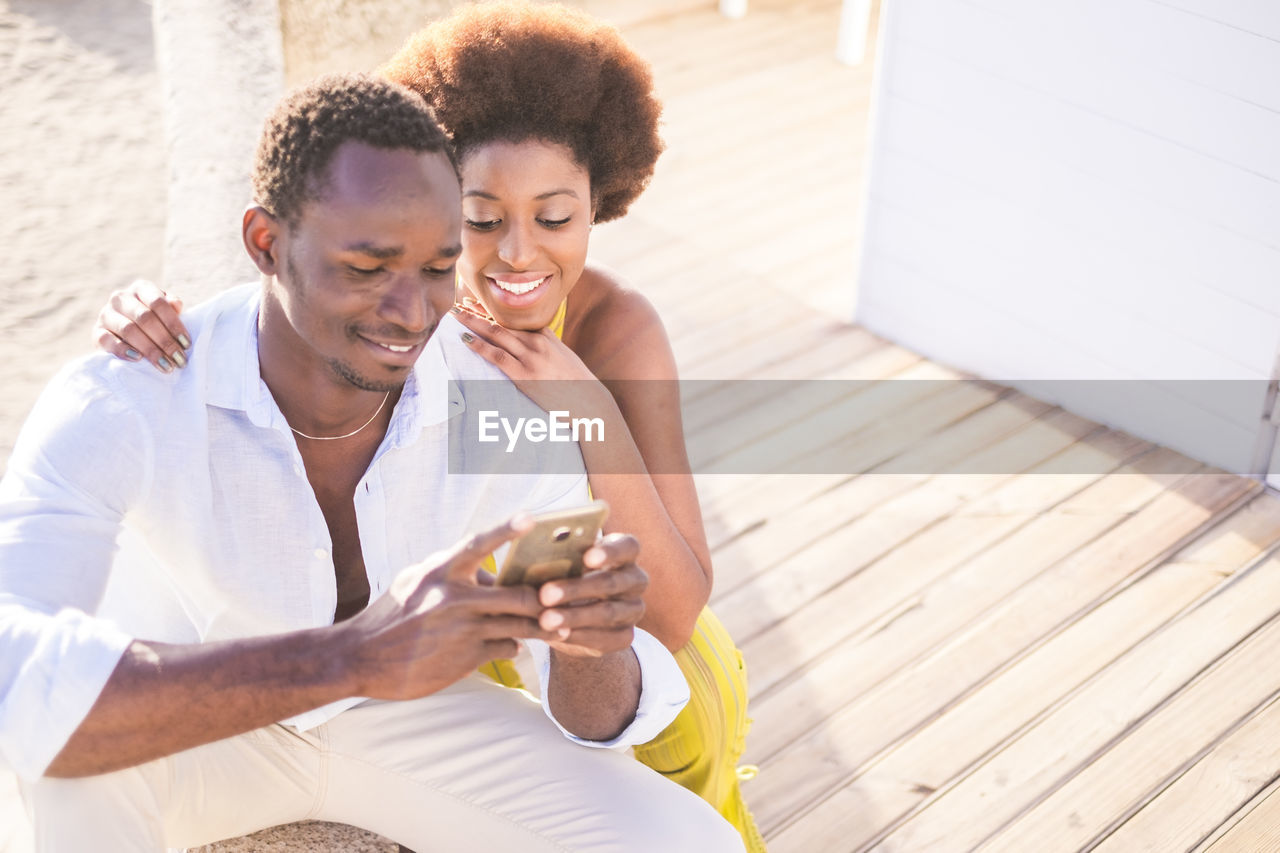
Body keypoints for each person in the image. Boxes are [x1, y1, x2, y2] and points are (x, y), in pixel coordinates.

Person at [0, 73, 745, 852]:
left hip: (403, 722)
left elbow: (592, 710)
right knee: (73, 770)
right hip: (186, 724)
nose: (412, 311)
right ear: (266, 242)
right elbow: (19, 677)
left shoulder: (499, 398)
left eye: (435, 267)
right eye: (368, 266)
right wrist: (352, 657)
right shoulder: (125, 398)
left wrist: (588, 639)